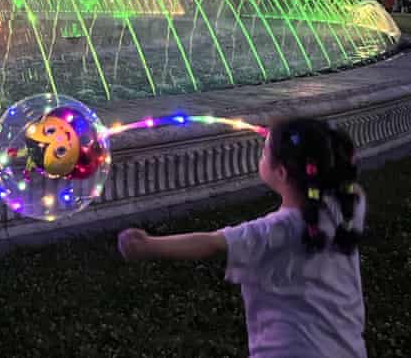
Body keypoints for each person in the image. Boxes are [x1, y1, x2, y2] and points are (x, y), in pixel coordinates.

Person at [118, 118, 366, 357]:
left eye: (264, 152)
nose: (262, 153)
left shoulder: (276, 231)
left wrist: (148, 245)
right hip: (347, 347)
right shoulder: (349, 206)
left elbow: (210, 243)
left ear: (280, 172)